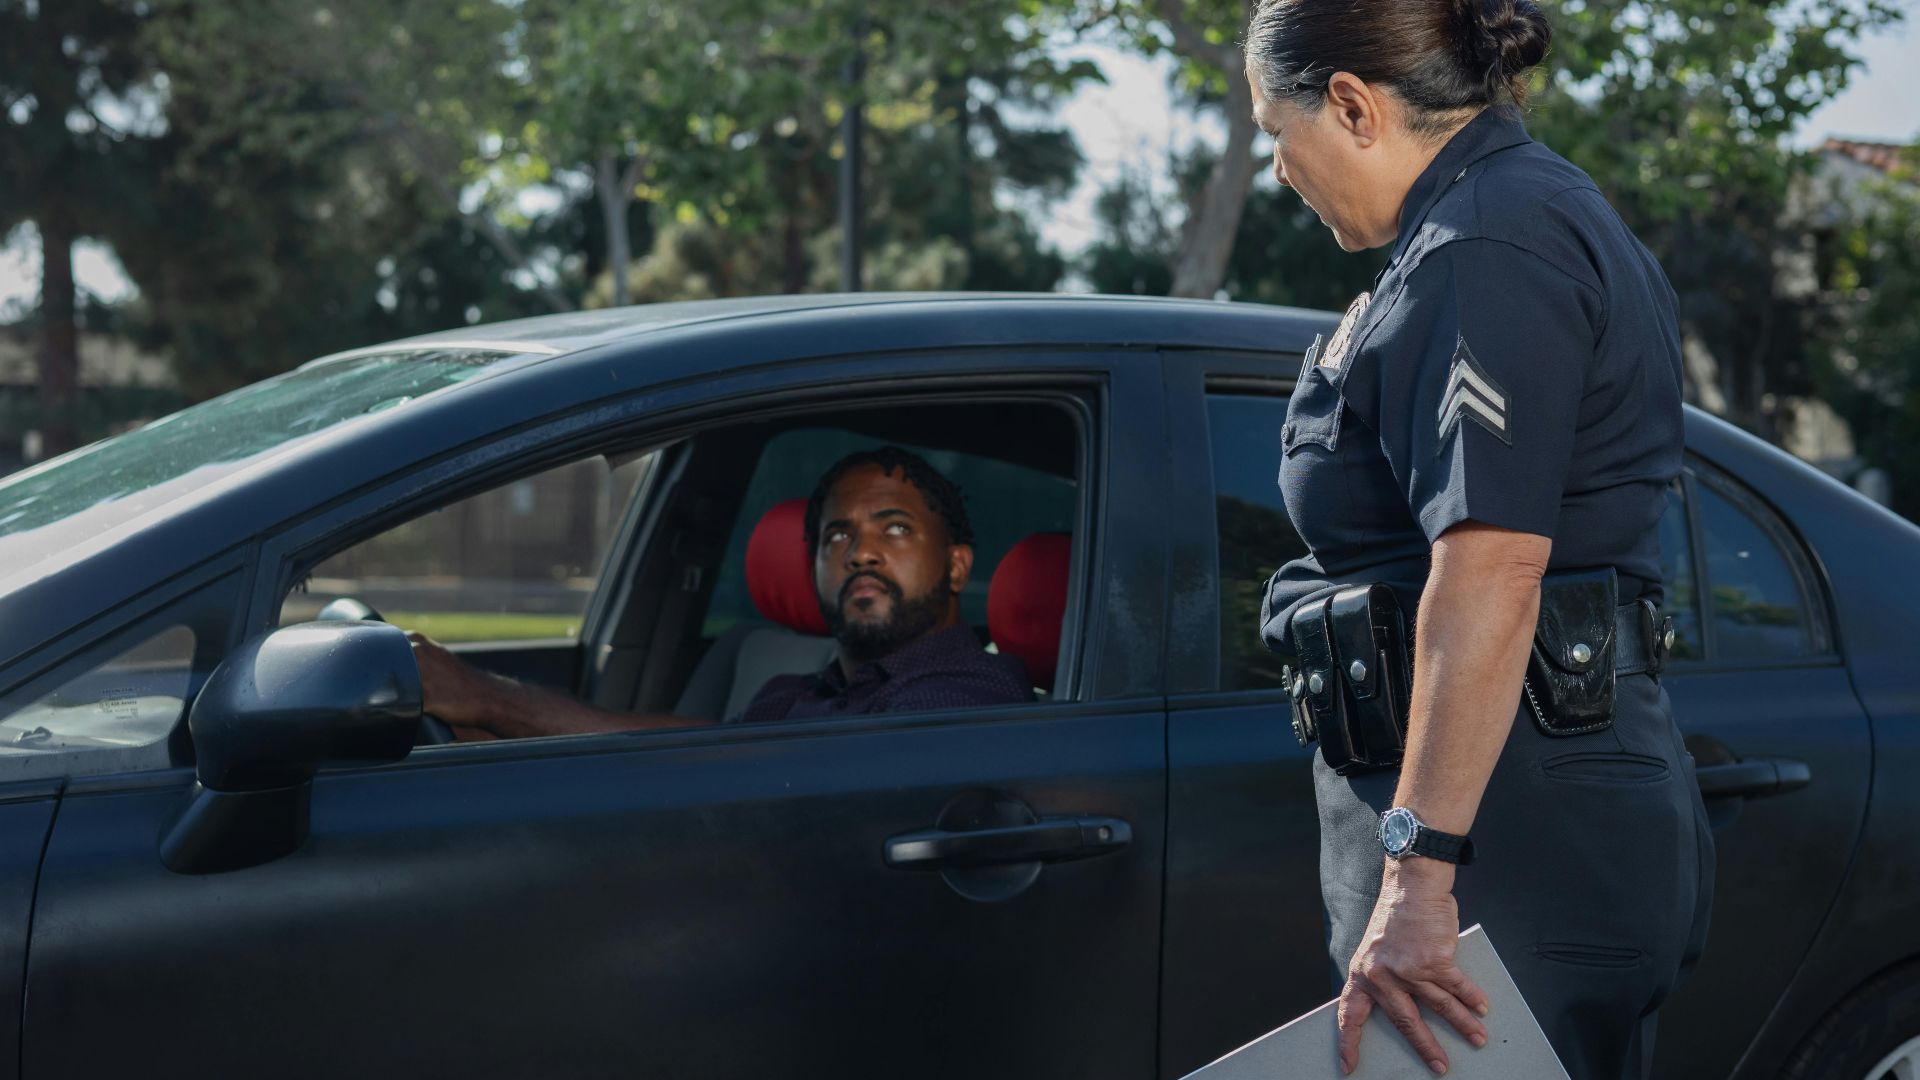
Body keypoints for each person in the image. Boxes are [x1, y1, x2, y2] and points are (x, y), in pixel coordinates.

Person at [1243, 2, 1713, 1078]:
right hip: (1513, 813)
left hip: (1504, 831)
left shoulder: (1486, 243)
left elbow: (1492, 568)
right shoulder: (1496, 218)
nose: (1278, 166)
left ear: (1354, 106)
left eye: (1280, 129)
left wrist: (1420, 875)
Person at [411, 447, 1032, 738]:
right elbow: (697, 751)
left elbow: (731, 774)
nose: (860, 551)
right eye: (836, 535)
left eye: (895, 529)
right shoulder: (796, 692)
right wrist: (474, 735)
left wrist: (487, 697)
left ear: (956, 567)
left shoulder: (964, 700)